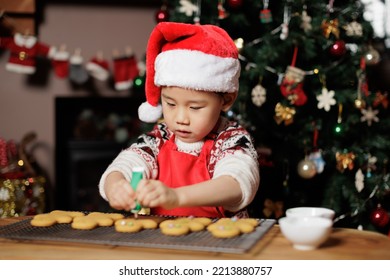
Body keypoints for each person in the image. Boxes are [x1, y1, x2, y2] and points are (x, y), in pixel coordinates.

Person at [98, 22, 260, 218]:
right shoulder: (158, 139)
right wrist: (116, 186)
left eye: (195, 107)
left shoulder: (231, 140)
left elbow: (237, 183)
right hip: (163, 242)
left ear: (226, 101)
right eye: (171, 104)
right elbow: (125, 164)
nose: (181, 118)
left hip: (223, 243)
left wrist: (177, 197)